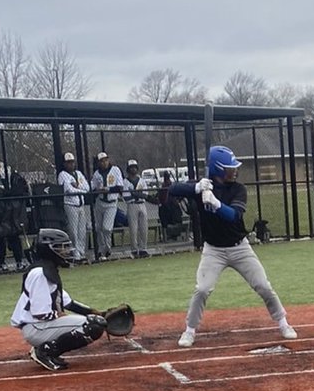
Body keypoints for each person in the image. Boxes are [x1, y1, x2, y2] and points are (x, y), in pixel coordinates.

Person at [169, 145, 297, 347]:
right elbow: (173, 190)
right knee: (202, 289)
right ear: (219, 169)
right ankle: (189, 330)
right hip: (213, 251)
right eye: (230, 168)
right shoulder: (203, 186)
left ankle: (283, 323)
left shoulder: (238, 189)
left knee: (263, 285)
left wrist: (215, 203)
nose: (235, 171)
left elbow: (234, 216)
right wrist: (195, 188)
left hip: (240, 248)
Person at [10, 227, 108, 371]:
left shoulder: (47, 269)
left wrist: (100, 314)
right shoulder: (40, 273)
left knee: (97, 321)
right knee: (93, 326)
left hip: (39, 325)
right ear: (48, 249)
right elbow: (40, 313)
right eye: (61, 248)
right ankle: (45, 351)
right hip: (36, 326)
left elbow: (70, 303)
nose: (66, 251)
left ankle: (47, 349)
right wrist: (59, 315)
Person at [90, 152, 124, 260]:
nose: (104, 162)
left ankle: (107, 249)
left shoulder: (115, 170)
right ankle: (101, 251)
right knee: (98, 228)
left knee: (107, 228)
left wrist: (107, 189)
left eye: (105, 160)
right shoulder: (97, 174)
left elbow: (120, 187)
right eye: (102, 161)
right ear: (99, 162)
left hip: (111, 202)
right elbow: (93, 188)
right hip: (100, 202)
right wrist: (98, 190)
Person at [57, 152, 90, 264]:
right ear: (64, 164)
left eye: (72, 162)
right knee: (73, 231)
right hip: (70, 204)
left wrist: (78, 187)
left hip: (81, 204)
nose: (71, 165)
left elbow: (87, 187)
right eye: (68, 163)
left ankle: (81, 252)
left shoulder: (78, 173)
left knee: (82, 230)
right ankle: (75, 253)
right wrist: (81, 190)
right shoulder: (62, 175)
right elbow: (68, 190)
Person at [123, 160, 150, 258]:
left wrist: (135, 194)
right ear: (128, 169)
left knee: (144, 227)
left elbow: (146, 194)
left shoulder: (141, 180)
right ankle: (134, 250)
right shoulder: (125, 182)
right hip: (132, 205)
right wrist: (138, 194)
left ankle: (143, 249)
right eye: (131, 167)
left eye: (134, 167)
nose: (133, 169)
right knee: (133, 229)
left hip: (142, 204)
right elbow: (126, 197)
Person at [158, 171, 184, 241]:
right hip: (166, 208)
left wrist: (177, 200)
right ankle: (169, 235)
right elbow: (159, 197)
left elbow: (180, 195)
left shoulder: (173, 186)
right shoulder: (163, 187)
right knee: (166, 220)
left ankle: (174, 235)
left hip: (173, 208)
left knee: (175, 219)